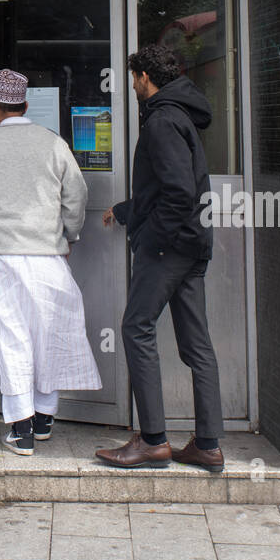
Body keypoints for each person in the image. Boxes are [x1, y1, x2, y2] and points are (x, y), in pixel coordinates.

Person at [96, 44, 225, 473]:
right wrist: (129, 211)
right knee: (197, 345)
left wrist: (151, 240)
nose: (132, 85)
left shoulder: (162, 121)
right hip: (191, 245)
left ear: (145, 78)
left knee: (136, 328)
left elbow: (178, 193)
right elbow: (167, 190)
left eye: (134, 78)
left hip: (169, 248)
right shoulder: (180, 114)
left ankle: (152, 441)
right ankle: (207, 446)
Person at [0, 68, 102, 455]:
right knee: (49, 335)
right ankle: (44, 418)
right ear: (27, 105)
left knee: (13, 338)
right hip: (46, 255)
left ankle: (20, 428)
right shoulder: (53, 143)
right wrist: (69, 234)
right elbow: (76, 194)